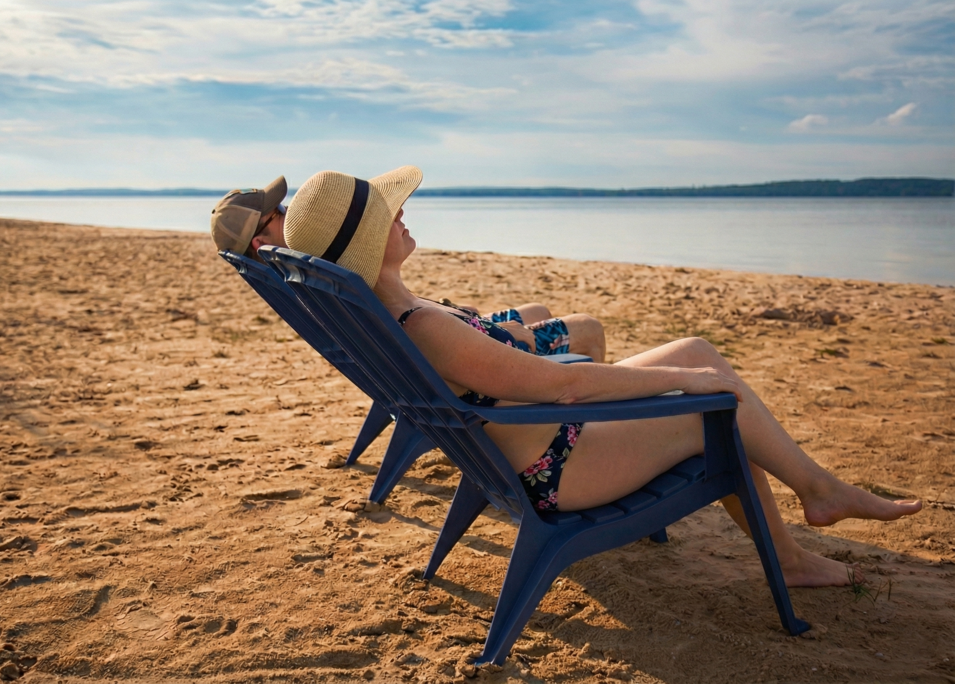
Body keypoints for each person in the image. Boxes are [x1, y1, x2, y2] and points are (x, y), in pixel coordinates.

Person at [274, 165, 922, 589]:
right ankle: (804, 524)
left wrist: (676, 371)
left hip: (525, 443)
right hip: (557, 464)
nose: (403, 214)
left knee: (697, 350)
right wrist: (683, 383)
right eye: (390, 212)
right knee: (713, 397)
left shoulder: (398, 315)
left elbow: (548, 380)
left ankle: (813, 500)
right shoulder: (424, 326)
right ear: (367, 240)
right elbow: (566, 387)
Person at [210, 176, 606, 362]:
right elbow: (414, 321)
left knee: (536, 311)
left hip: (407, 364)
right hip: (435, 360)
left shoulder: (302, 275)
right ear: (260, 243)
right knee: (585, 327)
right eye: (277, 212)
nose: (287, 210)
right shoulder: (321, 271)